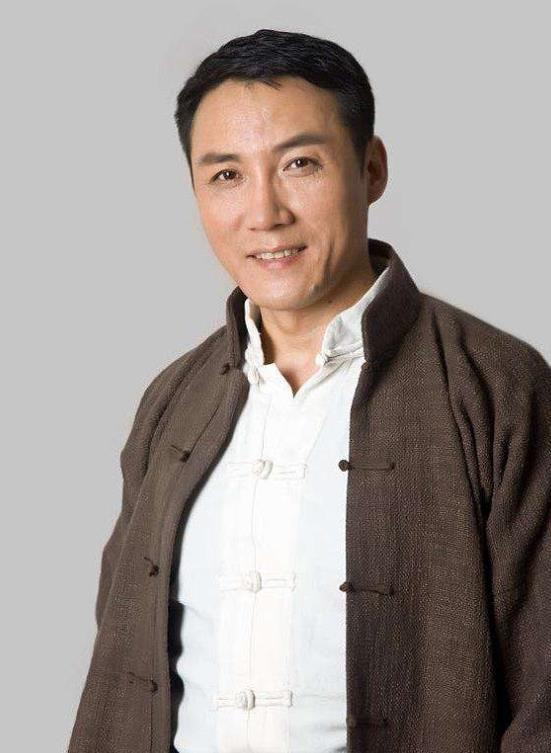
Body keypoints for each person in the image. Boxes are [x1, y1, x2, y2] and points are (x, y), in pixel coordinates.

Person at [68, 28, 551, 753]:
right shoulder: (172, 401)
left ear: (371, 168)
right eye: (226, 175)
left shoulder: (496, 386)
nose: (264, 213)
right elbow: (123, 653)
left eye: (299, 163)